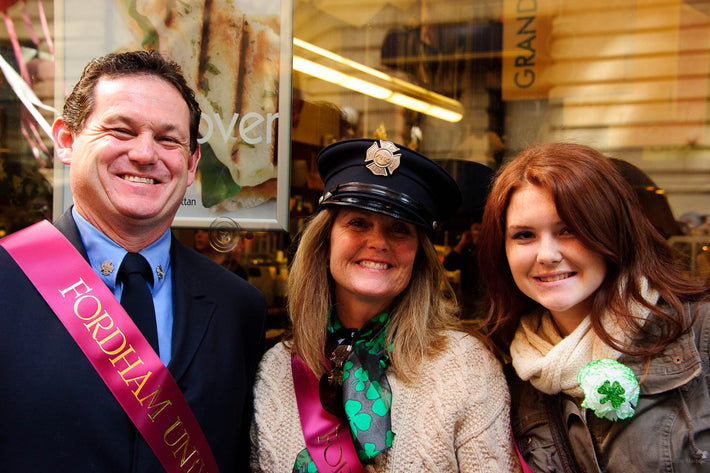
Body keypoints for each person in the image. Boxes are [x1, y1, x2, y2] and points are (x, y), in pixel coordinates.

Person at [0, 50, 267, 472]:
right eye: (121, 131)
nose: (145, 154)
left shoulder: (239, 308)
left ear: (193, 162)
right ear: (67, 141)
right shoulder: (6, 280)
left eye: (168, 139)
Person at [250, 138, 521, 472]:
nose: (378, 242)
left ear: (419, 255)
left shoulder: (467, 368)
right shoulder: (275, 368)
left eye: (399, 229)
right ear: (325, 241)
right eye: (358, 223)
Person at [477, 142, 710, 472]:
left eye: (568, 229)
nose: (546, 255)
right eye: (524, 235)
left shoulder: (698, 334)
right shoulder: (510, 377)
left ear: (612, 231)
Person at [443, 220, 484, 318]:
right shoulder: (467, 250)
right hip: (468, 299)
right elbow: (448, 265)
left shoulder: (490, 249)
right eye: (474, 230)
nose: (476, 233)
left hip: (486, 300)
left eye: (479, 229)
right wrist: (462, 243)